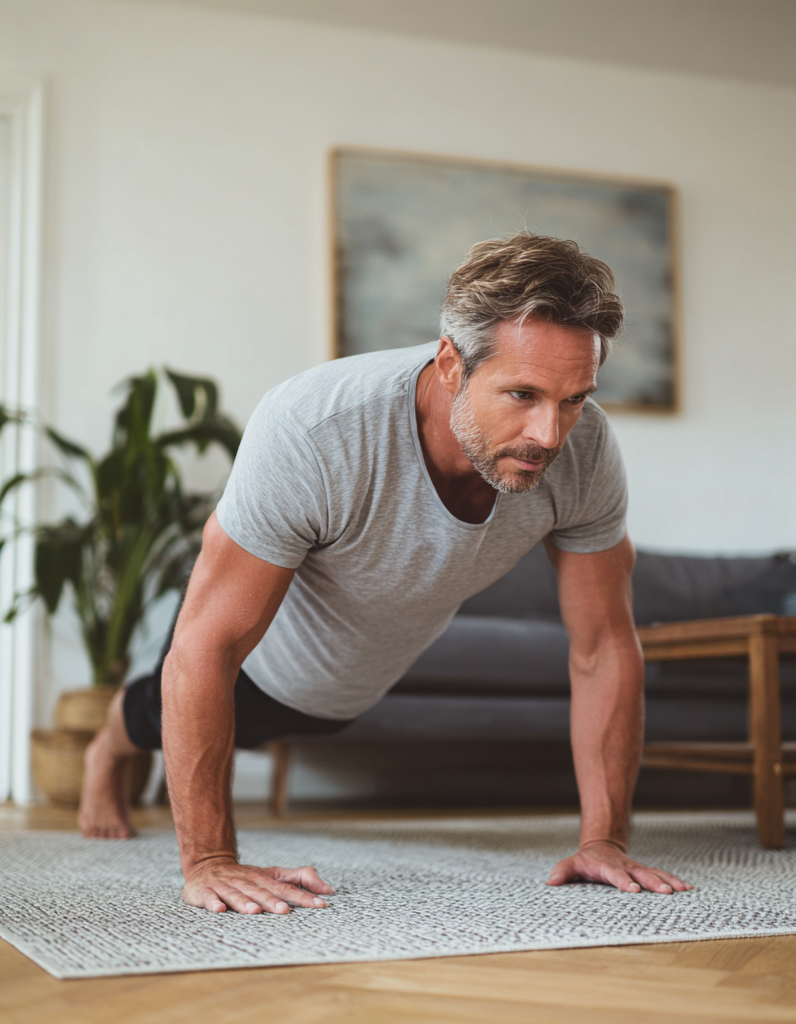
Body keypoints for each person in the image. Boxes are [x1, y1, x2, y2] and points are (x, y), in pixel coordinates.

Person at [79, 232, 692, 913]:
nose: (550, 434)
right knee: (148, 711)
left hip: (352, 683)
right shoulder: (315, 428)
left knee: (322, 714)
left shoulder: (585, 453)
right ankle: (105, 752)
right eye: (522, 393)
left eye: (575, 398)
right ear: (451, 363)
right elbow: (206, 647)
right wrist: (212, 861)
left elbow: (604, 645)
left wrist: (603, 840)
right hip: (263, 655)